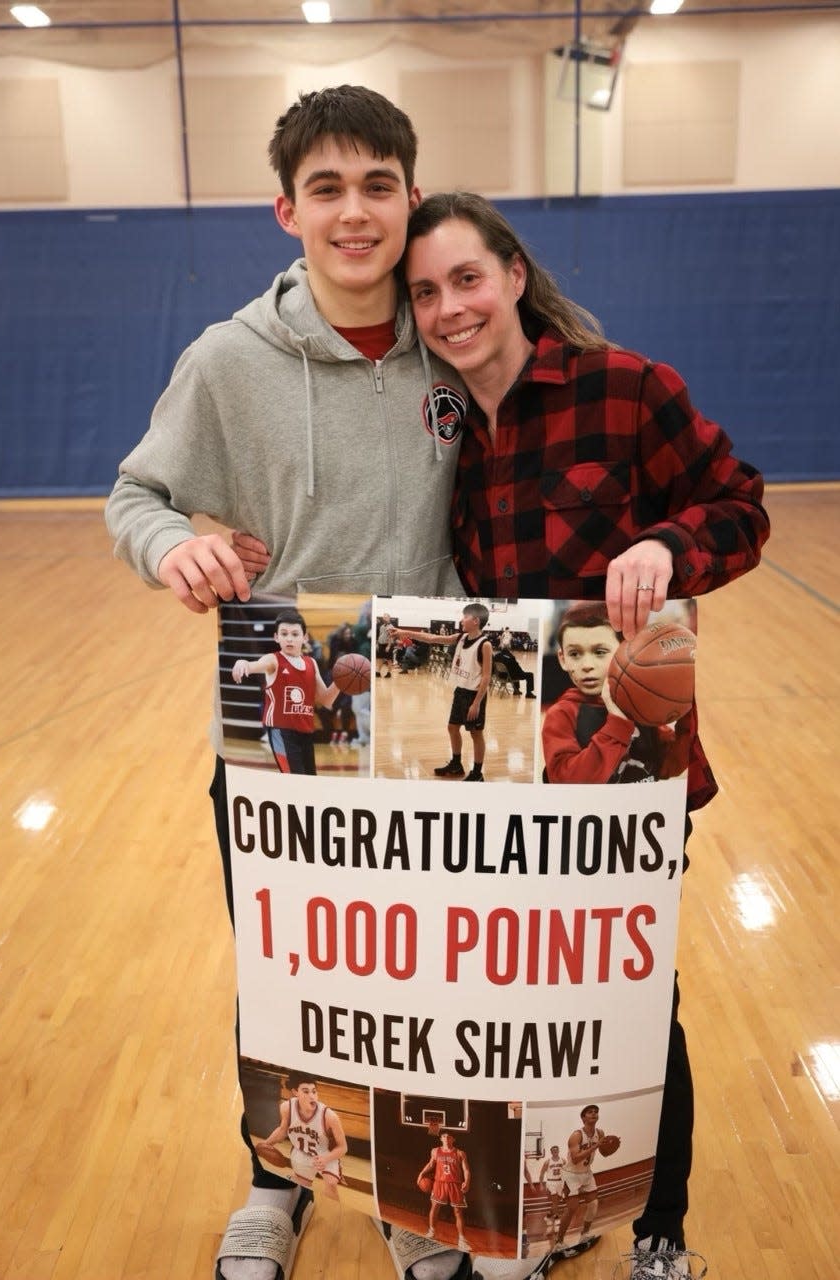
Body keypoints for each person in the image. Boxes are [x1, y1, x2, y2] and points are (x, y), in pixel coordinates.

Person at [105, 86, 475, 1280]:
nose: (354, 211)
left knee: (418, 968)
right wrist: (179, 546)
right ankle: (276, 1183)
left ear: (411, 197)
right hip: (282, 724)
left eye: (378, 185)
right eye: (327, 188)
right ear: (285, 210)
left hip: (435, 720)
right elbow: (134, 498)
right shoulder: (228, 358)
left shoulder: (458, 336)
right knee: (286, 971)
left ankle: (412, 1192)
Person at [401, 191, 769, 1278]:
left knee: (633, 997)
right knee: (521, 998)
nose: (448, 307)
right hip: (499, 770)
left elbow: (740, 504)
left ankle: (659, 1231)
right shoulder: (441, 427)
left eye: (465, 278)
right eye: (424, 292)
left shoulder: (626, 387)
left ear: (513, 275)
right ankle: (551, 1212)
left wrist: (667, 540)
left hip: (623, 763)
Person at [541, 602, 690, 785]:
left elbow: (670, 764)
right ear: (562, 659)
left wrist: (688, 709)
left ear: (624, 651)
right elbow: (568, 783)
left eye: (600, 652)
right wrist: (618, 725)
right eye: (575, 654)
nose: (587, 665)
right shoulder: (561, 715)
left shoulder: (639, 702)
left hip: (640, 811)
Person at [389, 602, 492, 781]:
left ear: (475, 621)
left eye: (465, 617)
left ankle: (477, 773)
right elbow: (431, 638)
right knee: (452, 727)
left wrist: (476, 703)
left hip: (474, 695)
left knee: (476, 734)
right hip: (460, 691)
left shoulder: (485, 645)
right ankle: (456, 764)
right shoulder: (461, 638)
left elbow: (486, 677)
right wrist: (404, 632)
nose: (461, 620)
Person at [231, 608, 341, 773]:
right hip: (281, 731)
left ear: (305, 637)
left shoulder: (311, 662)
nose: (289, 639)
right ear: (276, 637)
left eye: (295, 634)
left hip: (306, 731)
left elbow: (326, 700)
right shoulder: (273, 660)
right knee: (294, 782)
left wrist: (341, 682)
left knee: (310, 782)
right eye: (284, 633)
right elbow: (254, 665)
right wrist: (242, 662)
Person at [254, 1074, 347, 1201]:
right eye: (306, 1091)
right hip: (302, 1153)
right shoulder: (287, 1107)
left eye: (314, 1092)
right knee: (301, 1187)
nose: (312, 1096)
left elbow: (343, 1147)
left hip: (326, 1154)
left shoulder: (329, 1116)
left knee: (331, 1183)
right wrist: (266, 1144)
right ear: (295, 1092)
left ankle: (335, 1212)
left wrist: (326, 1159)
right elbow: (282, 1130)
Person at [552, 1106, 608, 1250]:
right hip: (571, 1175)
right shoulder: (577, 1135)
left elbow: (605, 1153)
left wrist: (611, 1145)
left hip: (586, 1173)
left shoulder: (600, 1133)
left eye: (596, 1112)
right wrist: (595, 1146)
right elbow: (576, 1159)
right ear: (583, 1118)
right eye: (590, 1112)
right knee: (572, 1208)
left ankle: (584, 1234)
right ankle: (558, 1242)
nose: (594, 1114)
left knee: (594, 1204)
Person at [418, 1131, 472, 1252]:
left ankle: (462, 1240)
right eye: (443, 1136)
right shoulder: (435, 1151)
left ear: (453, 1139)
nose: (446, 1138)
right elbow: (431, 1164)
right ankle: (432, 1231)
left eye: (449, 1136)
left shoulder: (460, 1153)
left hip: (455, 1184)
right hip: (439, 1183)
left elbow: (466, 1170)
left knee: (458, 1211)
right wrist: (421, 1173)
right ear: (440, 1139)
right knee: (435, 1206)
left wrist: (467, 1181)